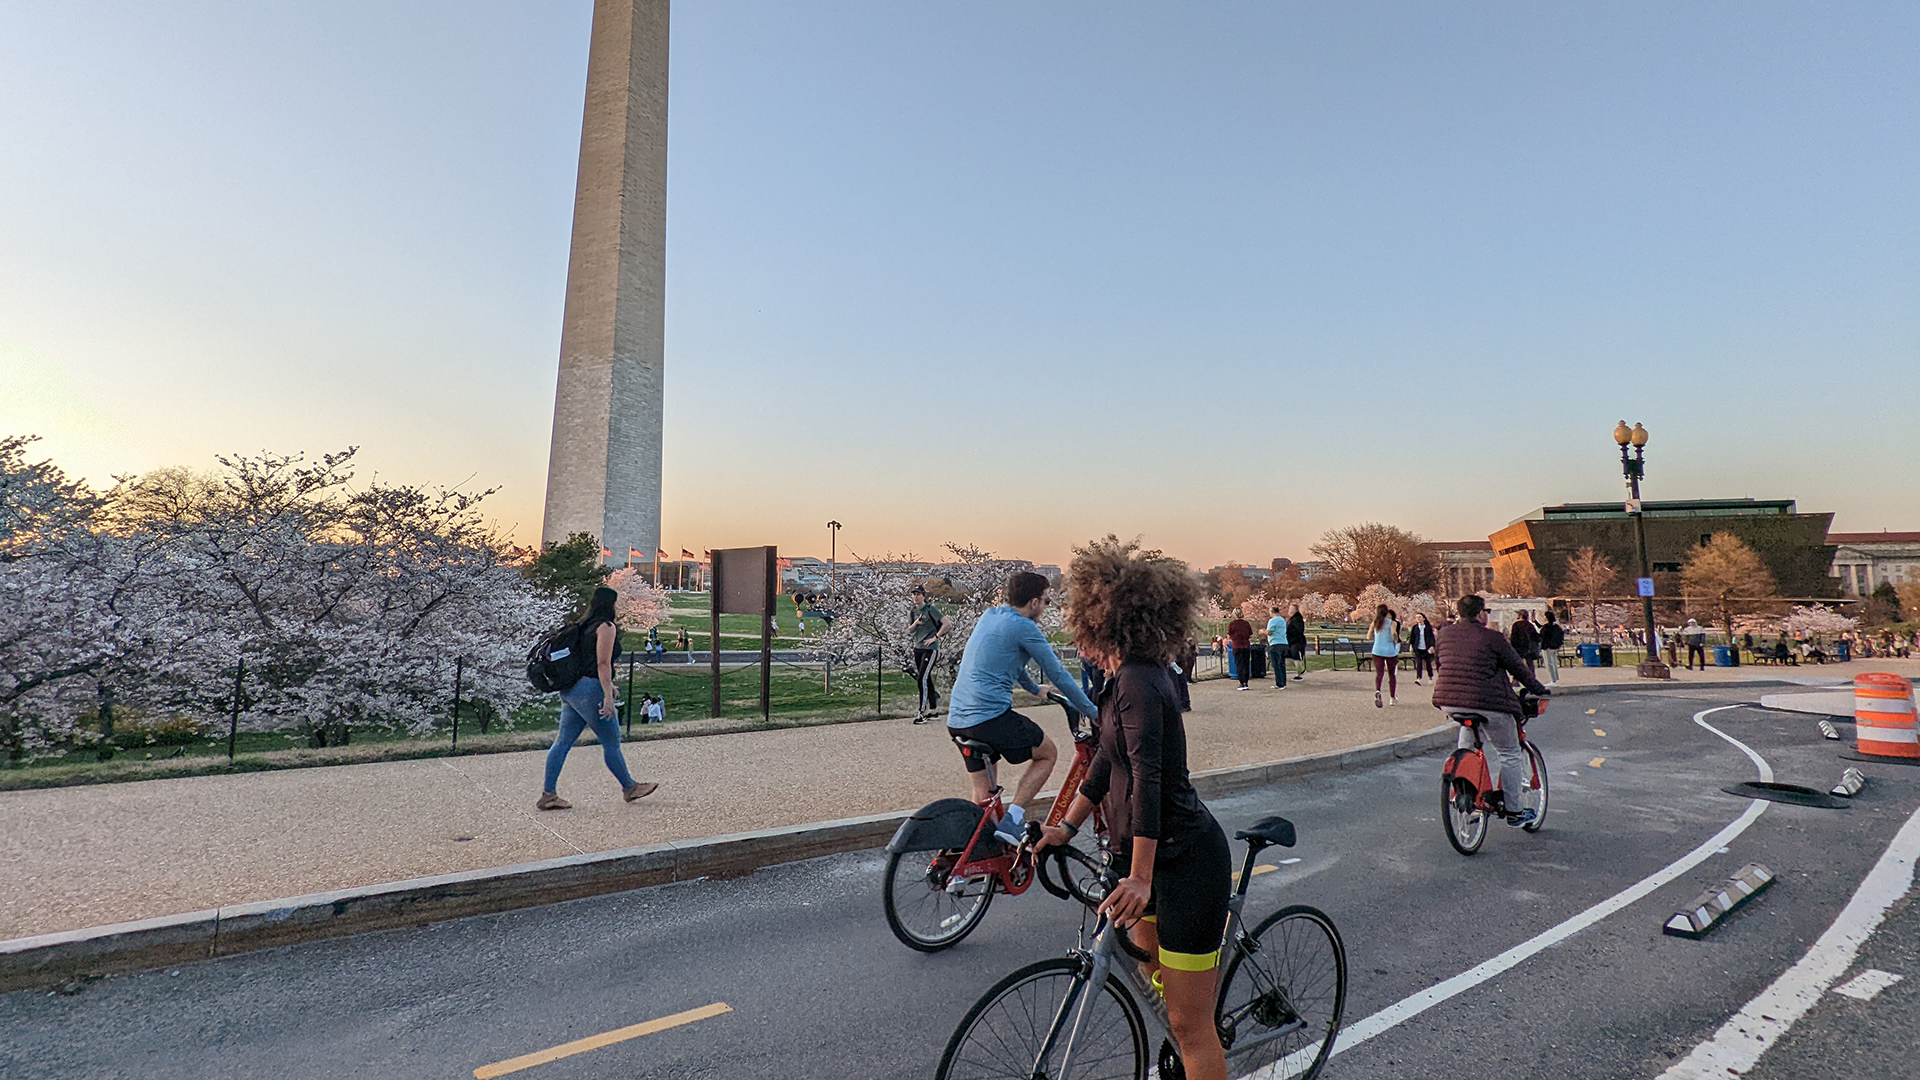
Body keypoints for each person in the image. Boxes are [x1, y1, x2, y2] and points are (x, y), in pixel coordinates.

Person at [1036, 538, 1231, 1080]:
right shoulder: (1124, 680)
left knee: (1192, 1027)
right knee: (1160, 994)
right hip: (1140, 856)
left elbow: (1147, 778)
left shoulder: (1142, 685)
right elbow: (1105, 761)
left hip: (1184, 861)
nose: (1078, 637)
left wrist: (1141, 877)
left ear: (1108, 622)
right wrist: (1063, 827)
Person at [947, 571, 1100, 844]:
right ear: (1033, 603)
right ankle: (1013, 820)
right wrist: (1093, 713)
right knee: (1047, 752)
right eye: (1045, 601)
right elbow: (1059, 675)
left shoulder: (990, 616)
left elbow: (1011, 662)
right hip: (989, 718)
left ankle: (978, 853)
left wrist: (1033, 689)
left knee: (984, 791)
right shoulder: (1025, 627)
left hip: (958, 719)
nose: (1044, 607)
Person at [1432, 593, 1550, 827]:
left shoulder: (1444, 635)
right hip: (1488, 703)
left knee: (1467, 745)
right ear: (1480, 613)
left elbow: (1441, 664)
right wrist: (1539, 689)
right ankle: (1515, 810)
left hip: (1450, 700)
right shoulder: (1492, 638)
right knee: (1509, 753)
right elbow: (1518, 668)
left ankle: (1466, 791)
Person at [539, 586, 657, 809]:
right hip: (590, 690)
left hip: (572, 690)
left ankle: (548, 794)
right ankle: (629, 787)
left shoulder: (583, 626)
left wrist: (608, 685)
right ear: (609, 604)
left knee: (562, 742)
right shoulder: (606, 627)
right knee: (611, 741)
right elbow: (602, 663)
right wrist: (607, 696)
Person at [907, 585, 948, 724]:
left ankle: (922, 711)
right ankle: (934, 709)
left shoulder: (930, 609)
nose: (916, 597)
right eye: (914, 594)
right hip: (917, 647)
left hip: (930, 648)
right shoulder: (913, 611)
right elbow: (909, 630)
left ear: (923, 596)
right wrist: (916, 623)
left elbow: (946, 623)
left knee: (922, 678)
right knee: (926, 678)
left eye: (918, 594)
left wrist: (935, 637)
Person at [1369, 604, 1400, 707]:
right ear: (1387, 612)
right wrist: (1395, 638)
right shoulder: (1392, 623)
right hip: (1390, 651)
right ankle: (1392, 697)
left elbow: (1368, 636)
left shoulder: (1375, 622)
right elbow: (1393, 633)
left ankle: (1378, 690)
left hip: (1377, 650)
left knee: (1379, 673)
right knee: (1391, 674)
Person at [1226, 609, 1254, 690]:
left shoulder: (1232, 624)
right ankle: (1246, 682)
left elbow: (1229, 635)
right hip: (1246, 645)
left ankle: (1242, 683)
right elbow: (1251, 635)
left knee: (1239, 664)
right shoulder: (1246, 624)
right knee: (1246, 664)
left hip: (1236, 646)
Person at [1408, 613, 1438, 685]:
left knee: (1428, 664)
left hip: (1426, 648)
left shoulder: (1428, 627)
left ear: (1424, 618)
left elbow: (1431, 638)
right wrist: (1411, 646)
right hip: (1418, 648)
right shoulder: (1415, 628)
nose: (1418, 619)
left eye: (1419, 617)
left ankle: (1430, 677)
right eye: (1417, 617)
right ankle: (1418, 678)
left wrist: (1432, 646)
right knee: (1419, 664)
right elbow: (1412, 638)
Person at [1508, 610, 1541, 676]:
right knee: (1530, 664)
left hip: (1519, 647)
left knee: (1517, 664)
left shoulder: (1516, 625)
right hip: (1528, 648)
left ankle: (1516, 679)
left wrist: (1512, 646)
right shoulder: (1529, 625)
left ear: (1520, 615)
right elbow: (1536, 637)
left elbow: (1513, 637)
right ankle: (1532, 678)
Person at [1264, 606, 1289, 688]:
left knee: (1276, 664)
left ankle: (1279, 683)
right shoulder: (1282, 620)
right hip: (1284, 643)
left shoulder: (1272, 621)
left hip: (1275, 643)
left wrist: (1263, 631)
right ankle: (1283, 682)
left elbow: (1269, 632)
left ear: (1272, 612)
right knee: (1282, 664)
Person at [1539, 610, 1565, 684]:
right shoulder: (1556, 626)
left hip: (1547, 647)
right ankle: (1556, 679)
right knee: (1554, 663)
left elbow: (1542, 635)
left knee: (1549, 664)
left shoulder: (1546, 627)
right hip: (1555, 647)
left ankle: (1552, 680)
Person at [1287, 604, 1308, 679]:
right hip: (1293, 641)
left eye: (1290, 609)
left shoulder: (1297, 619)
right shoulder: (1293, 619)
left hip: (1296, 641)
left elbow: (1298, 630)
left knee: (1294, 654)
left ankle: (1299, 671)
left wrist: (1289, 632)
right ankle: (1299, 669)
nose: (1289, 611)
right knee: (1289, 655)